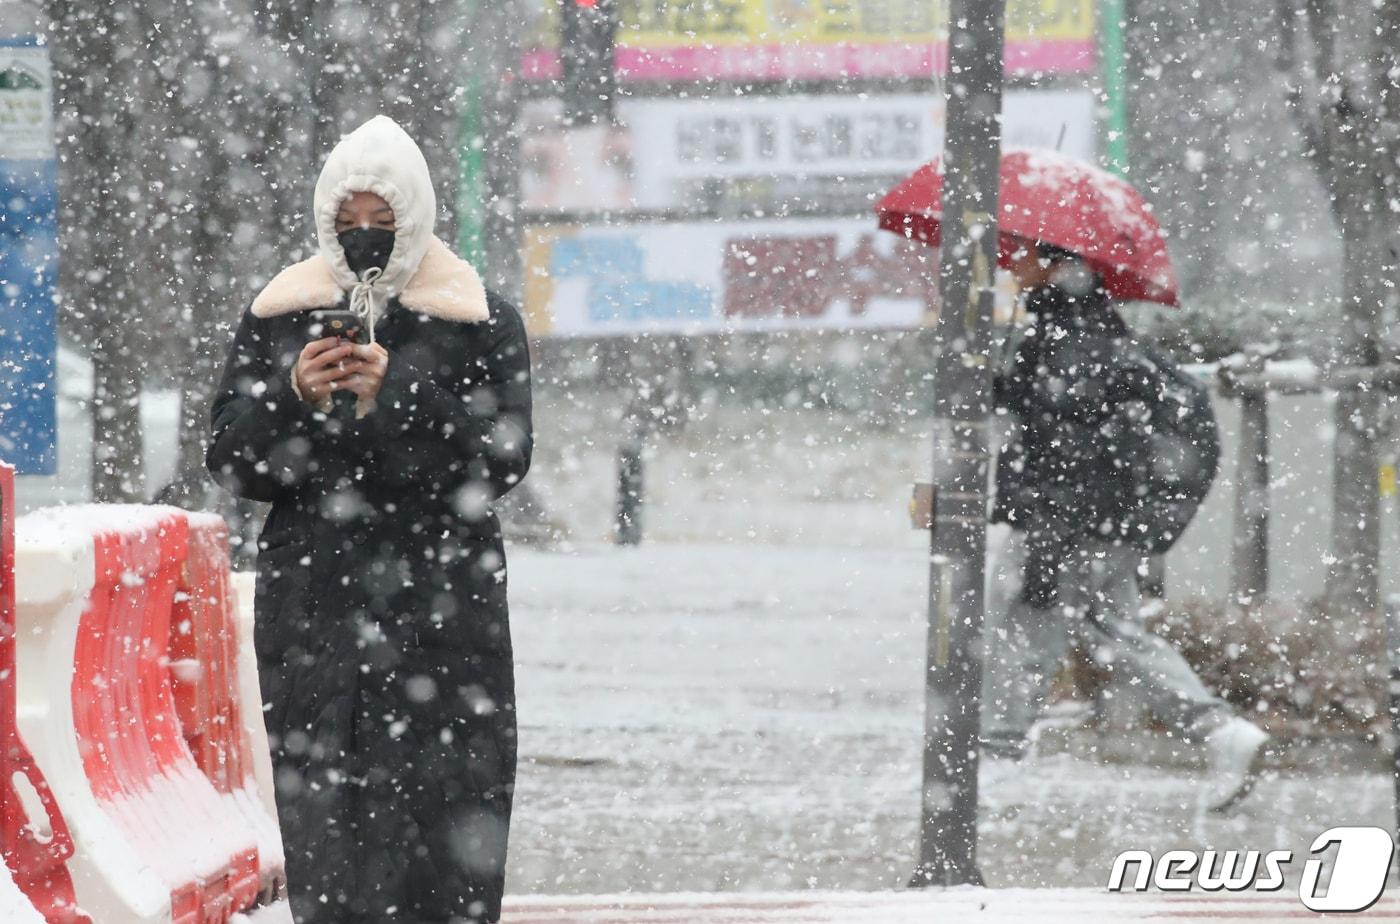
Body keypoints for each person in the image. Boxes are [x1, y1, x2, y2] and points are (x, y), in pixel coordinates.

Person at [207, 115, 532, 924]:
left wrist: (405, 393)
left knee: (451, 830)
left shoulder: (480, 320)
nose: (362, 239)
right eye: (345, 223)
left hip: (444, 611)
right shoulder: (279, 313)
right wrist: (295, 396)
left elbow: (501, 461)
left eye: (381, 224)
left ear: (416, 218)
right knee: (329, 840)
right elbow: (233, 461)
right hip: (315, 614)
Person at [981, 239, 1268, 812]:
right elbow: (1066, 424)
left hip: (1066, 522)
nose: (1013, 266)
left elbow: (1066, 441)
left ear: (1061, 268)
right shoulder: (1087, 335)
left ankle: (999, 756)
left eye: (1027, 257)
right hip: (1099, 521)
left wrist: (1051, 524)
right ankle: (1220, 732)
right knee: (1115, 632)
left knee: (1021, 625)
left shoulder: (1065, 342)